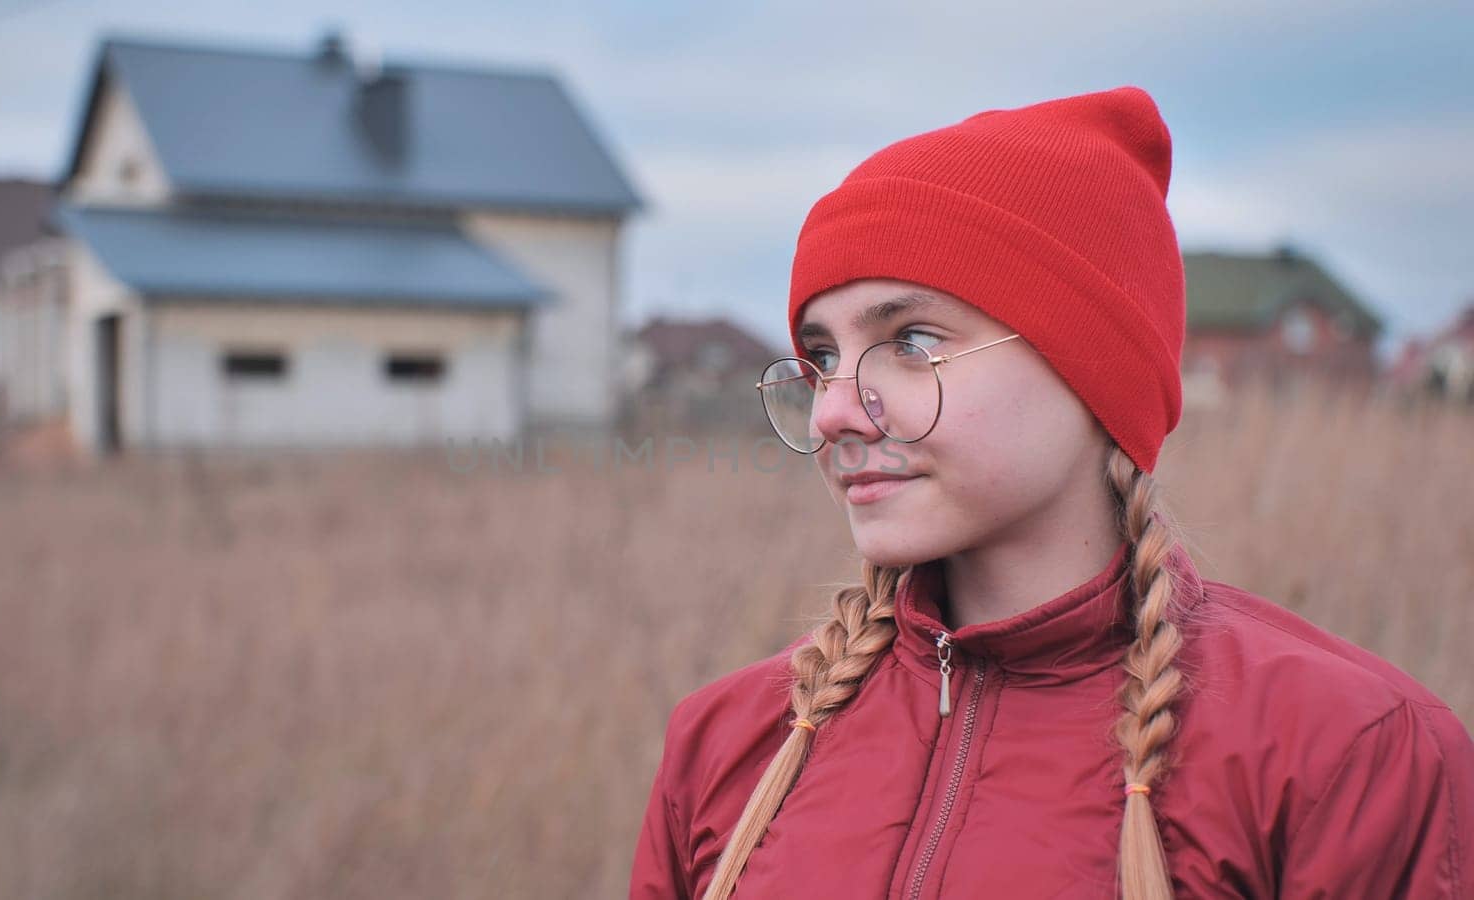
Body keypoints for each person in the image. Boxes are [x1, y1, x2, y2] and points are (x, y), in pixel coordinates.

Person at [628, 85, 1474, 899]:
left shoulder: (1346, 757)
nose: (835, 413)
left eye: (911, 342)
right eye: (821, 360)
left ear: (1091, 369)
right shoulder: (727, 746)